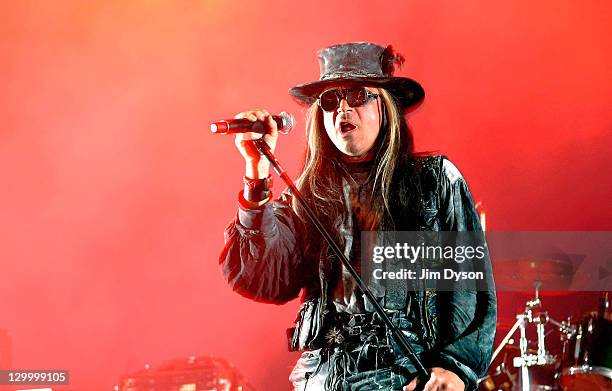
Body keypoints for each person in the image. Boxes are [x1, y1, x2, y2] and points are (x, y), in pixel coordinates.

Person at [220, 42, 497, 391]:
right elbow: (261, 276)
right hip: (322, 379)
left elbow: (470, 288)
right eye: (331, 101)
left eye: (356, 95)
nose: (343, 109)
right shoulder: (307, 199)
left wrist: (455, 368)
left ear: (385, 106)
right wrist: (257, 176)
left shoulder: (434, 182)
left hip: (404, 376)